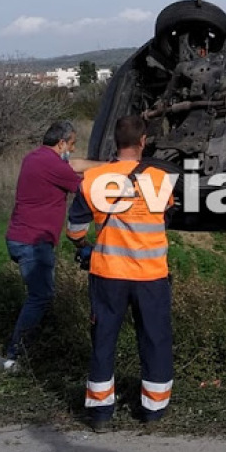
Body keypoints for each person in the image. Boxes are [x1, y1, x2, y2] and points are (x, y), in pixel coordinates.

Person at [66, 115, 177, 432]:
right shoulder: (160, 179)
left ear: (115, 141)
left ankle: (101, 413)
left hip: (108, 274)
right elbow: (166, 214)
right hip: (151, 276)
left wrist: (84, 246)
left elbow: (74, 229)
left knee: (103, 339)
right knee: (155, 339)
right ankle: (153, 411)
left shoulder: (93, 179)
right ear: (143, 141)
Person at [0, 120, 104, 372]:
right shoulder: (52, 165)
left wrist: (108, 165)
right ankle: (15, 356)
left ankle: (27, 350)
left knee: (38, 295)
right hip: (33, 243)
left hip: (21, 238)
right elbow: (85, 186)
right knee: (40, 297)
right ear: (61, 143)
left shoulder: (36, 158)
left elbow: (76, 166)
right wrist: (117, 170)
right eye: (72, 144)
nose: (73, 149)